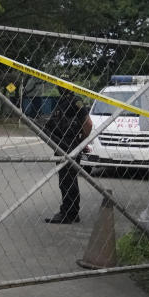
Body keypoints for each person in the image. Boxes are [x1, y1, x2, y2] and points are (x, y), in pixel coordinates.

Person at [44, 90, 93, 224]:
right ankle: (71, 212)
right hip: (62, 145)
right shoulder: (62, 102)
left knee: (68, 181)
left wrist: (81, 141)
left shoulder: (76, 101)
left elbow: (88, 123)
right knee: (66, 181)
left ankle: (68, 213)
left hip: (70, 145)